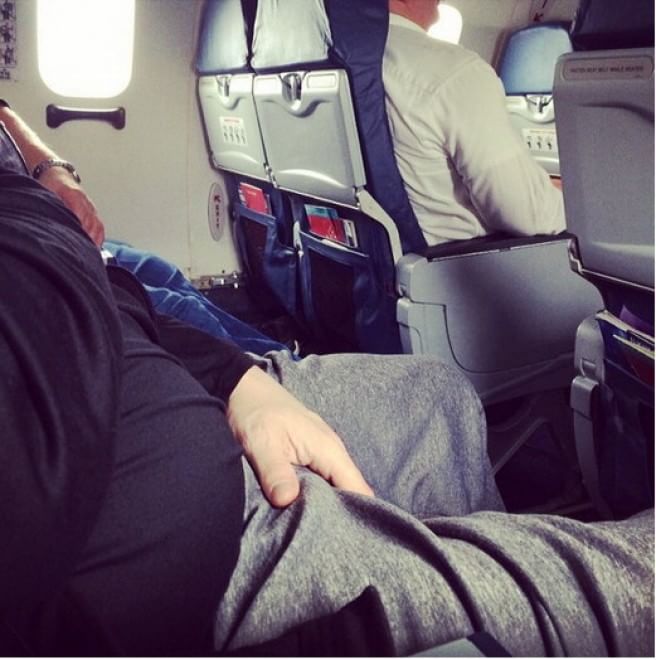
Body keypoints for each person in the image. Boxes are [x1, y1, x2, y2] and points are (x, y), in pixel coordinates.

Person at [1, 108, 653, 656]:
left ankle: (437, 552)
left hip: (166, 385)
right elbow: (537, 208)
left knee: (435, 392)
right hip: (202, 573)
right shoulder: (446, 75)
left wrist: (235, 377)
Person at [383, 0, 566, 245]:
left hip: (390, 257)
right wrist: (582, 200)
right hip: (469, 261)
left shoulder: (348, 61)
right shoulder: (454, 72)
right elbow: (527, 214)